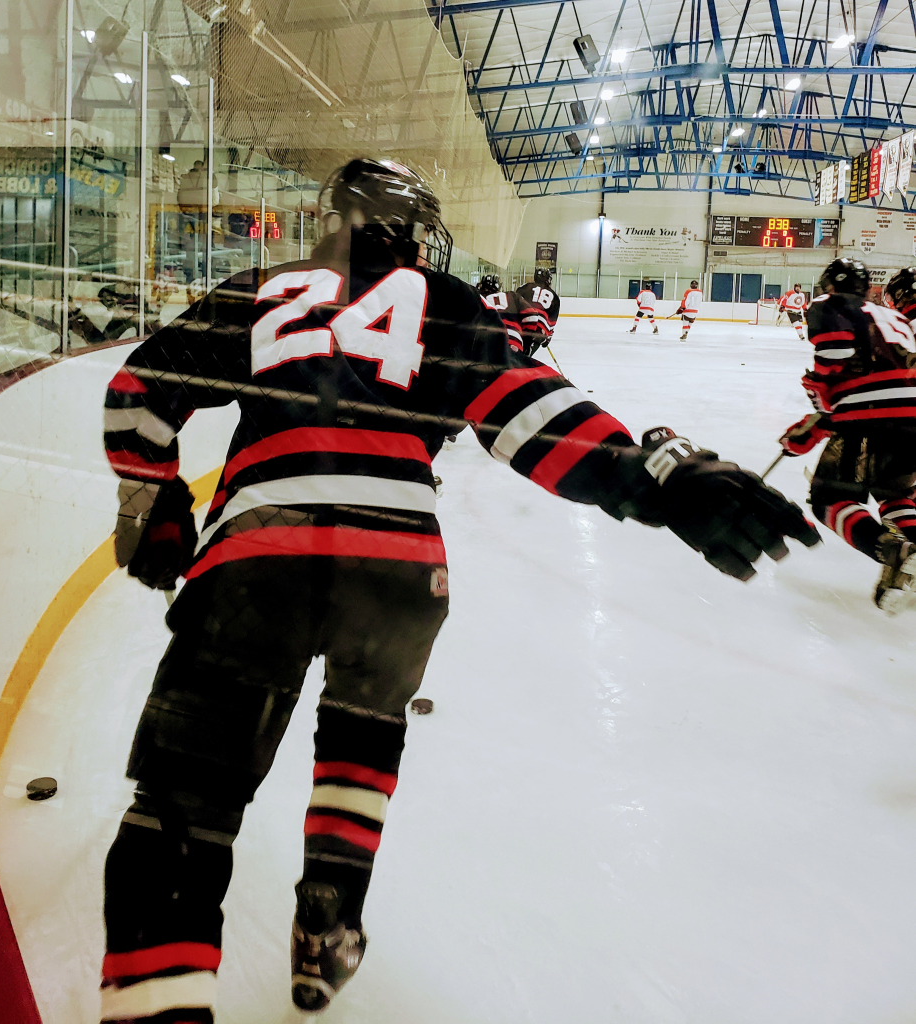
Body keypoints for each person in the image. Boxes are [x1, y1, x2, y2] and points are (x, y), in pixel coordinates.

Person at [100, 156, 818, 1024]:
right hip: (401, 570)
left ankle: (160, 1003)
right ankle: (331, 914)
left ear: (331, 219)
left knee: (182, 808)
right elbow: (534, 421)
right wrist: (655, 480)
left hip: (259, 555)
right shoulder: (445, 302)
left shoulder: (261, 288)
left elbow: (136, 398)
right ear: (412, 234)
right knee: (362, 734)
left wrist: (157, 500)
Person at [778, 257, 916, 611]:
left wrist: (820, 385)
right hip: (912, 418)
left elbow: (836, 351)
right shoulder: (895, 318)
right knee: (894, 494)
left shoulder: (831, 303)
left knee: (828, 498)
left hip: (871, 418)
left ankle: (893, 550)